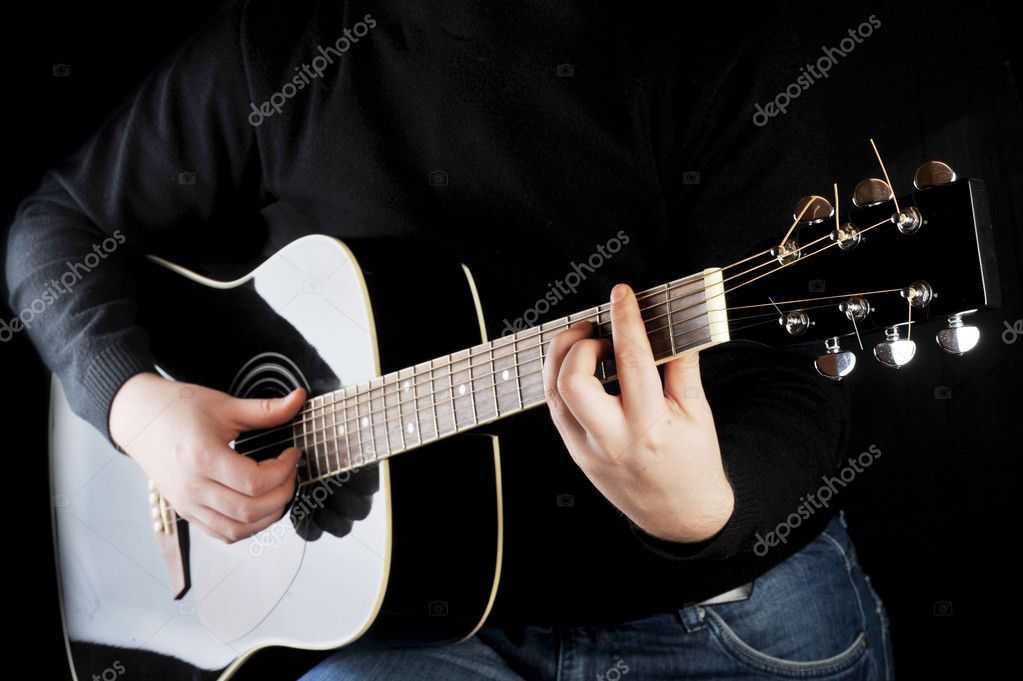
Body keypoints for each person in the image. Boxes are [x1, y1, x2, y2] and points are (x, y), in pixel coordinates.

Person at [6, 1, 893, 678]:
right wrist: (138, 406)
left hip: (720, 614)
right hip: (410, 632)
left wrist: (700, 510)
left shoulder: (717, 41)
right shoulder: (283, 38)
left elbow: (791, 381)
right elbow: (59, 225)